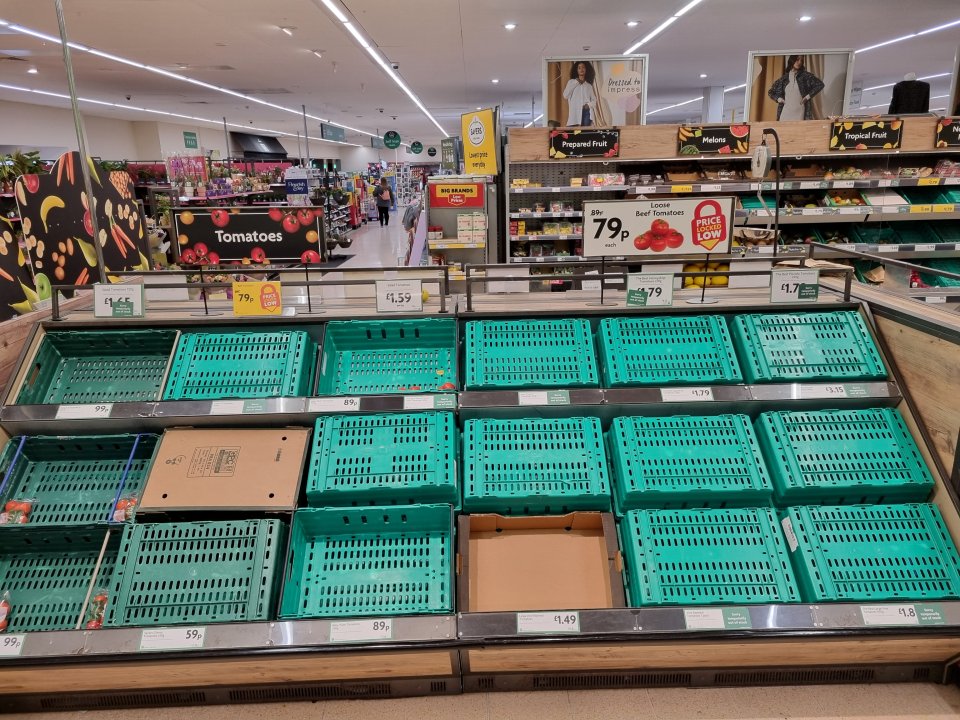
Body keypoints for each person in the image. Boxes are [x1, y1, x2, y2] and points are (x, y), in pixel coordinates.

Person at [767, 55, 824, 121]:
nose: (799, 62)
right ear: (792, 60)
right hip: (786, 113)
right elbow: (770, 92)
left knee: (799, 130)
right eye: (797, 60)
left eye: (801, 61)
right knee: (784, 131)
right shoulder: (784, 79)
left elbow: (820, 84)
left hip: (800, 113)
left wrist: (807, 97)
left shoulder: (806, 76)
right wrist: (778, 99)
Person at [562, 61, 597, 127]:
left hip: (586, 112)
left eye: (583, 67)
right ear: (577, 70)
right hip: (574, 113)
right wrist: (576, 82)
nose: (581, 69)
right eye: (579, 68)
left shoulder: (589, 86)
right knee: (573, 133)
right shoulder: (571, 82)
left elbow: (594, 100)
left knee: (585, 134)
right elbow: (565, 95)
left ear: (586, 70)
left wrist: (588, 105)